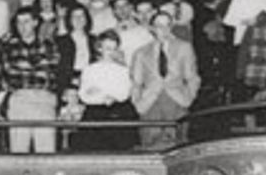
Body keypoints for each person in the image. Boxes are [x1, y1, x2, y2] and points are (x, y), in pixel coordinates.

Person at [130, 8, 199, 148]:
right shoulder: (140, 53)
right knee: (150, 144)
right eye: (159, 25)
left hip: (176, 101)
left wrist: (188, 98)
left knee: (178, 146)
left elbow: (192, 77)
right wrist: (138, 102)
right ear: (151, 28)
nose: (163, 29)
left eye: (167, 25)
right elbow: (136, 82)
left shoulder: (184, 47)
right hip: (150, 103)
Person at [0, 8, 62, 154]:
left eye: (26, 21)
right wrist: (36, 68)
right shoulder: (8, 47)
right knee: (18, 151)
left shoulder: (49, 45)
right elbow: (8, 73)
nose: (22, 26)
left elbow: (50, 71)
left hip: (44, 99)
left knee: (46, 151)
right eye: (19, 22)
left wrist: (23, 67)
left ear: (35, 22)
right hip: (19, 99)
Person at [74, 30, 136, 151]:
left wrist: (107, 95)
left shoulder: (123, 70)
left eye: (114, 48)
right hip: (95, 114)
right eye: (107, 48)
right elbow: (84, 94)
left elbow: (124, 92)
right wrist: (102, 96)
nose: (111, 52)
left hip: (117, 113)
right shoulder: (89, 70)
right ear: (99, 48)